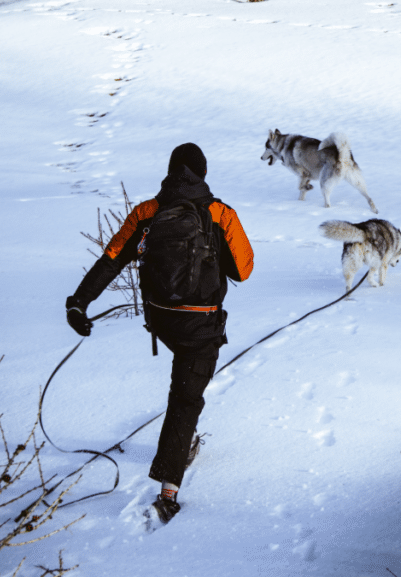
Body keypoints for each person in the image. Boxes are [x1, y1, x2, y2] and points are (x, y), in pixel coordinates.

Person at [65, 143, 254, 523]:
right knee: (185, 399)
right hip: (201, 325)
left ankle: (181, 443)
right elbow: (243, 271)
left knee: (185, 385)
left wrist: (78, 303)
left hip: (162, 320)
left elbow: (112, 258)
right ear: (203, 173)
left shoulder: (147, 213)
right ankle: (169, 490)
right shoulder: (219, 213)